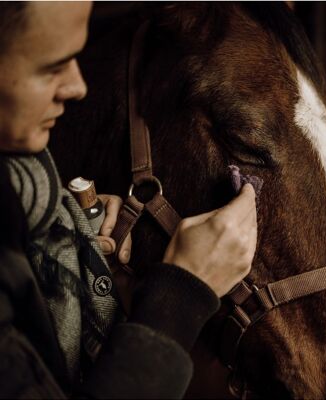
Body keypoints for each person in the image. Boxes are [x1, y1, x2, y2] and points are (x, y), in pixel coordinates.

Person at [0, 2, 257, 398]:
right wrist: (182, 294)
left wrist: (76, 246)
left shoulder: (31, 184)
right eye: (51, 67)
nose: (77, 87)